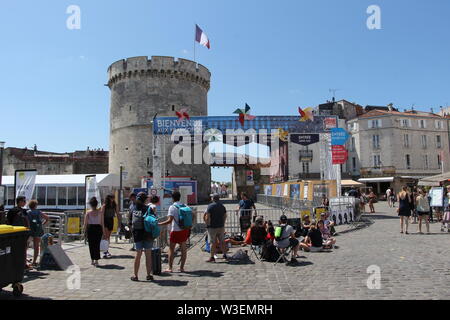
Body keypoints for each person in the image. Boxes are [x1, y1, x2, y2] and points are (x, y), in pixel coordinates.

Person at [159, 191, 189, 273]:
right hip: (184, 229)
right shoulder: (185, 205)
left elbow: (169, 220)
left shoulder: (172, 207)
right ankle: (182, 267)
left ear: (172, 198)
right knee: (183, 249)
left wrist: (159, 223)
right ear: (180, 197)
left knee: (171, 249)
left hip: (175, 230)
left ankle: (170, 267)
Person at [130, 193, 156, 281]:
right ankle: (149, 275)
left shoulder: (133, 208)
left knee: (138, 254)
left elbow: (130, 222)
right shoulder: (148, 208)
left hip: (137, 234)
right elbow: (153, 220)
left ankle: (135, 275)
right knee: (148, 254)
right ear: (145, 200)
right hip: (147, 234)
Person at [7, 196, 30, 269]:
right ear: (19, 202)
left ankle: (21, 263)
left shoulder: (14, 210)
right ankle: (22, 264)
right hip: (20, 232)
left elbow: (8, 221)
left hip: (17, 232)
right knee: (22, 249)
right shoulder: (16, 211)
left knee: (20, 248)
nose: (25, 202)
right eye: (23, 201)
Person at [204, 194, 227, 263]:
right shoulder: (222, 206)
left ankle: (212, 257)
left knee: (213, 243)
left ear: (213, 199)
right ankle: (225, 255)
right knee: (222, 242)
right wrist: (223, 223)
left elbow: (207, 217)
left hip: (212, 227)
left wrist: (207, 224)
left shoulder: (210, 206)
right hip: (221, 226)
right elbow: (225, 216)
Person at [26, 200, 48, 267]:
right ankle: (34, 262)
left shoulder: (28, 212)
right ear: (36, 205)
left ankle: (25, 261)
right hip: (38, 231)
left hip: (30, 231)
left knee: (26, 246)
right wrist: (42, 224)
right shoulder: (39, 212)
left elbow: (26, 221)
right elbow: (47, 218)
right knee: (36, 247)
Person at [83, 197, 104, 267]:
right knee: (97, 245)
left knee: (91, 245)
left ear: (91, 205)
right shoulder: (100, 212)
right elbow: (102, 223)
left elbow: (85, 223)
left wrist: (84, 231)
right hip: (98, 228)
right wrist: (103, 231)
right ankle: (97, 260)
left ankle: (92, 260)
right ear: (97, 204)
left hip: (90, 228)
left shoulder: (88, 212)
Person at [101, 194, 121, 259]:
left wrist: (119, 222)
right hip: (105, 220)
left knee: (108, 236)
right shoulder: (104, 206)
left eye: (113, 198)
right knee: (105, 236)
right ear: (108, 198)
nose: (112, 199)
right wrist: (102, 224)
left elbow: (117, 213)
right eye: (111, 198)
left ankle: (106, 250)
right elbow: (102, 215)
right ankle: (104, 251)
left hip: (111, 220)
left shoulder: (114, 205)